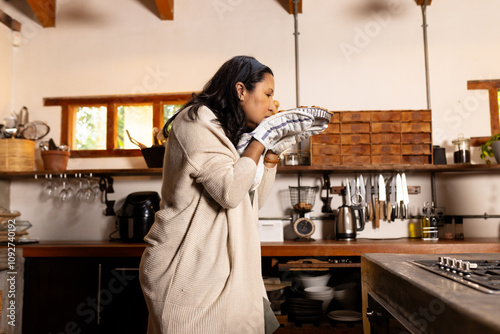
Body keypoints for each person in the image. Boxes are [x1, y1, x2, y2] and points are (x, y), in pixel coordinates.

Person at [139, 55, 320, 334]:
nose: (273, 105)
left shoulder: (231, 133)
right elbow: (230, 193)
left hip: (218, 269)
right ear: (240, 90)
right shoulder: (196, 121)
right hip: (187, 268)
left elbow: (251, 203)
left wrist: (270, 156)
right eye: (268, 94)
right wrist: (262, 138)